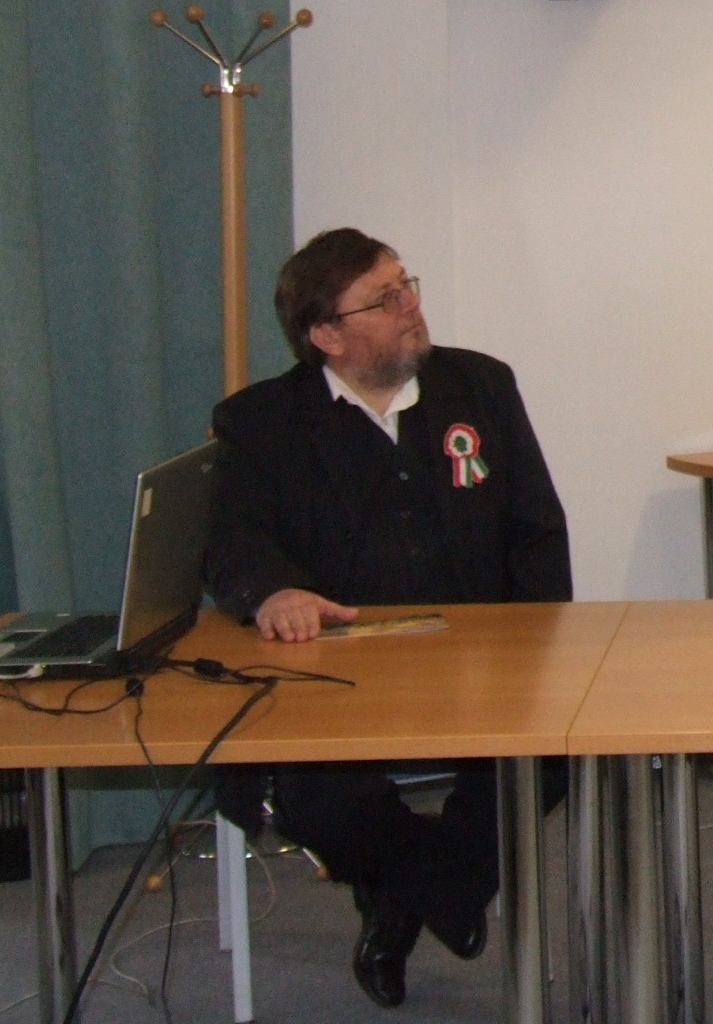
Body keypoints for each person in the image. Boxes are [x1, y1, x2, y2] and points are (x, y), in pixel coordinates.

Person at [204, 228, 572, 1009]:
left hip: (479, 668)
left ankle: (398, 898)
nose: (410, 305)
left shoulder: (480, 386)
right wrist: (272, 593)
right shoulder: (259, 422)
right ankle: (437, 887)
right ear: (326, 336)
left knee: (548, 761)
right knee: (313, 797)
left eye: (406, 284)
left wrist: (538, 650)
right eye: (384, 298)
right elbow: (232, 542)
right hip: (337, 678)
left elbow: (537, 530)